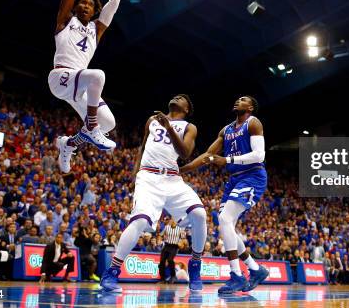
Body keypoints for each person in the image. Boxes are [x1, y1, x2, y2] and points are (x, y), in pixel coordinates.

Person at [101, 95, 207, 293]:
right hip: (149, 177)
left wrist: (168, 127)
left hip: (173, 179)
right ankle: (112, 272)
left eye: (182, 98)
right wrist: (136, 172)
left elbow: (184, 153)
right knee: (139, 222)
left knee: (200, 214)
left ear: (186, 109)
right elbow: (143, 146)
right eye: (176, 95)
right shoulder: (152, 121)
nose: (177, 97)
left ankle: (195, 264)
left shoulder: (189, 127)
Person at [181, 96, 270, 294]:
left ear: (251, 107)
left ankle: (236, 275)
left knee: (225, 218)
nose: (238, 100)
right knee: (225, 223)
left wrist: (227, 158)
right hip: (234, 180)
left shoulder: (253, 123)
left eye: (243, 99)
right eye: (237, 98)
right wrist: (183, 169)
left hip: (253, 176)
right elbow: (208, 156)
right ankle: (255, 269)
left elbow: (259, 155)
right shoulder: (226, 130)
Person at [48, 0, 126, 173]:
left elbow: (113, 4)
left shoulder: (96, 29)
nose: (85, 5)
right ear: (75, 6)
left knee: (109, 123)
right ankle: (91, 126)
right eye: (82, 2)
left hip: (78, 84)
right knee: (98, 76)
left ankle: (69, 144)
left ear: (93, 11)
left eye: (90, 4)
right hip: (61, 76)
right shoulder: (65, 21)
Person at [159, 219, 183, 284]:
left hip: (174, 246)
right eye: (172, 220)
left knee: (170, 259)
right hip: (167, 245)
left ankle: (173, 276)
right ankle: (162, 279)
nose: (173, 221)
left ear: (176, 222)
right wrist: (159, 240)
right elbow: (160, 235)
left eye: (174, 220)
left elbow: (183, 238)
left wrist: (181, 243)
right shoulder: (167, 227)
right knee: (162, 261)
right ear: (170, 221)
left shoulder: (180, 229)